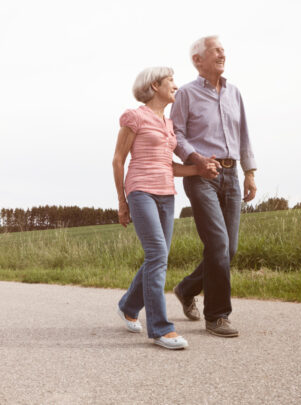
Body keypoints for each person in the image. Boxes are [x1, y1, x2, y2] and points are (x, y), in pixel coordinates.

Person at [112, 66, 219, 350]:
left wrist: (199, 169)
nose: (176, 85)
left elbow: (168, 166)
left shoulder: (169, 124)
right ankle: (160, 328)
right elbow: (118, 160)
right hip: (140, 191)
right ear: (155, 85)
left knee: (156, 256)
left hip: (166, 194)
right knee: (158, 254)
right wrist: (122, 201)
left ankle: (128, 305)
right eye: (171, 80)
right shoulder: (134, 116)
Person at [170, 35, 257, 338]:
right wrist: (196, 159)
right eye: (216, 50)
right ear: (198, 60)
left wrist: (250, 172)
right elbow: (176, 136)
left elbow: (243, 134)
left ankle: (186, 288)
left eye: (223, 50)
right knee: (218, 243)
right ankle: (217, 315)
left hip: (232, 176)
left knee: (228, 248)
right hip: (201, 176)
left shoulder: (234, 93)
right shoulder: (186, 95)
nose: (223, 53)